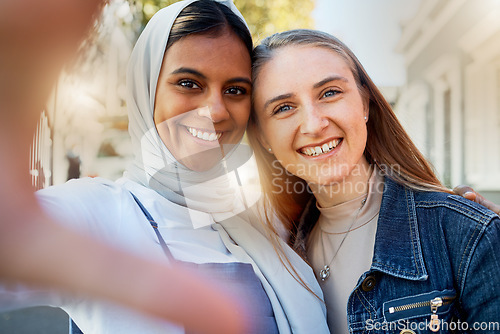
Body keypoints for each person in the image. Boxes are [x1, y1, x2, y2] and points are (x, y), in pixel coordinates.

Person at [1, 2, 330, 334]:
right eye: (188, 83)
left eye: (234, 90)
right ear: (146, 88)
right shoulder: (97, 212)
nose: (215, 111)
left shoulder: (265, 226)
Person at [248, 29, 500, 333]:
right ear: (262, 136)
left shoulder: (466, 233)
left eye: (329, 93)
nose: (314, 124)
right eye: (283, 108)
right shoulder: (269, 256)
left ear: (365, 103)